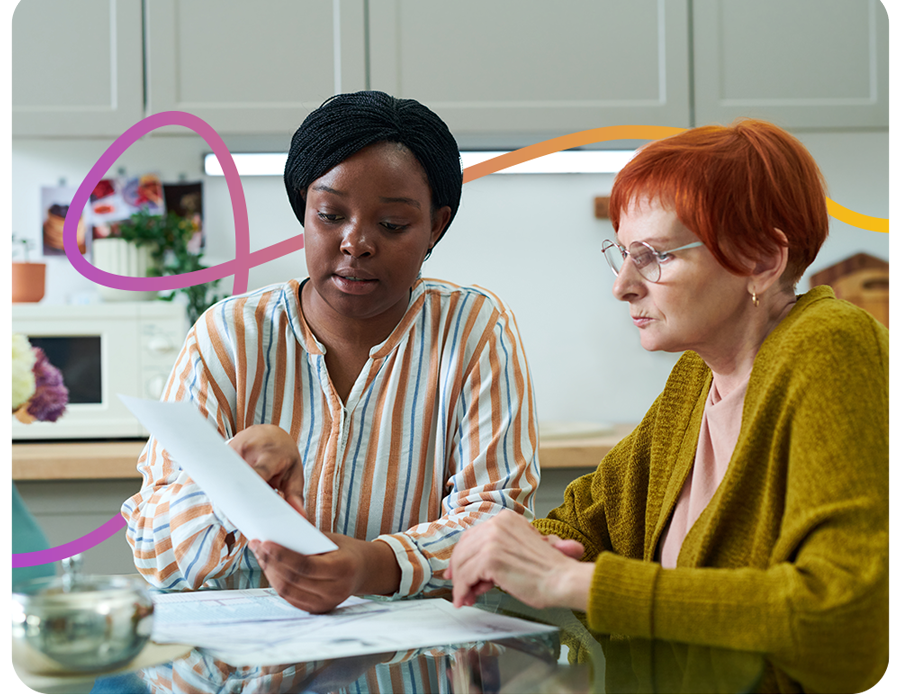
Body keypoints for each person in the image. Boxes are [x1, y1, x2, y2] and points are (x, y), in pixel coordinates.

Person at [446, 119, 888, 693]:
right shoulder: (698, 377)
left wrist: (570, 583)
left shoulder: (832, 345)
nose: (624, 285)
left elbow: (842, 613)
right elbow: (581, 525)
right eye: (624, 254)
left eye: (654, 256)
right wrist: (522, 551)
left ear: (761, 260)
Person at [122, 90, 539, 612]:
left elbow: (496, 522)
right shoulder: (229, 335)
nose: (356, 243)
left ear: (435, 226)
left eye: (392, 225)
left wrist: (372, 565)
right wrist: (233, 480)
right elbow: (152, 553)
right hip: (247, 676)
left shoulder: (473, 329)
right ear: (304, 210)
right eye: (330, 215)